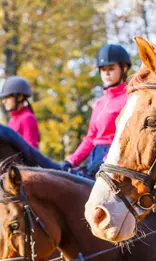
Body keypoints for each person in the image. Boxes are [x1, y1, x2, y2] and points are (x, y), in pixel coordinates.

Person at [60, 44, 131, 177]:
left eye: (111, 68)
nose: (107, 73)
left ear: (124, 68)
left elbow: (128, 137)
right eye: (103, 69)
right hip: (94, 156)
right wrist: (71, 161)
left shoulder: (130, 98)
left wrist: (106, 160)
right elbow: (90, 137)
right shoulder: (100, 102)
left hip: (115, 159)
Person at [0, 76, 39, 149]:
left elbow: (31, 151)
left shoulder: (27, 118)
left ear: (20, 97)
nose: (4, 101)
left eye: (7, 97)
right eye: (3, 98)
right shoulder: (12, 120)